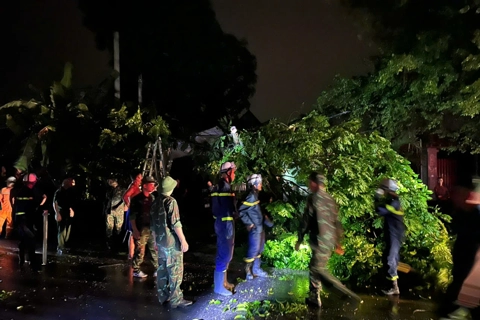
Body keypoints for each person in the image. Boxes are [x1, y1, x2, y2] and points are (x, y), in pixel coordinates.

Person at [295, 172, 361, 307]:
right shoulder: (330, 199)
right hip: (329, 241)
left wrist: (299, 239)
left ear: (315, 183)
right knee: (315, 267)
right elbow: (336, 222)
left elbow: (306, 221)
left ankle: (345, 294)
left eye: (309, 182)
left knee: (318, 268)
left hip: (319, 240)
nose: (309, 185)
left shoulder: (313, 199)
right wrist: (338, 243)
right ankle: (314, 296)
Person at [439, 180, 480, 319]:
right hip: (463, 256)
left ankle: (448, 308)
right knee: (458, 281)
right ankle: (447, 308)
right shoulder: (463, 213)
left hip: (469, 256)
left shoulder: (474, 213)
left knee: (459, 282)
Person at [151, 176, 192, 308]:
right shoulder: (171, 202)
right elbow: (176, 223)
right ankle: (176, 299)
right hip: (171, 242)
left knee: (162, 269)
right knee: (175, 270)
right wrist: (183, 240)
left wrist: (155, 242)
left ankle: (163, 296)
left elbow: (152, 226)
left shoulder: (155, 202)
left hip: (161, 242)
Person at [238, 174, 273, 280]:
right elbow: (241, 211)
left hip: (260, 227)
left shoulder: (255, 195)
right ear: (255, 184)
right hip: (255, 229)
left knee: (259, 249)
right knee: (253, 250)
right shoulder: (251, 196)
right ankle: (248, 271)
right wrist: (249, 223)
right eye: (260, 183)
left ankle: (256, 269)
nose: (261, 185)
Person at [211, 162, 237, 296]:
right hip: (224, 225)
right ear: (227, 172)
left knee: (227, 254)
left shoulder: (223, 186)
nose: (234, 174)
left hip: (225, 224)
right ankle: (218, 287)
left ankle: (224, 283)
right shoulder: (224, 187)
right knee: (224, 255)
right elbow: (225, 208)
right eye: (233, 171)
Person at [374, 178, 404, 295]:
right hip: (393, 234)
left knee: (390, 259)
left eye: (383, 189)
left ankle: (394, 287)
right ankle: (391, 286)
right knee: (388, 258)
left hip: (395, 235)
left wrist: (377, 196)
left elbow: (379, 210)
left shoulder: (394, 203)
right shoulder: (393, 201)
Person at [13, 173, 46, 270]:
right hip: (26, 219)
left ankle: (22, 260)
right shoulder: (32, 192)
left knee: (23, 240)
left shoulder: (18, 191)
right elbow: (39, 200)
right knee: (31, 239)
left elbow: (15, 205)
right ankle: (31, 261)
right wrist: (40, 206)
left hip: (21, 219)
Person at [129, 176, 159, 278]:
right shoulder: (136, 200)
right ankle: (136, 269)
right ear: (145, 185)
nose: (153, 186)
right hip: (141, 228)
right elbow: (132, 216)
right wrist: (135, 230)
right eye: (151, 184)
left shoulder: (153, 198)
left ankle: (157, 268)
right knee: (140, 250)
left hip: (151, 228)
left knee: (154, 249)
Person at [53, 177, 76, 255]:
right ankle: (61, 247)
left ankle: (64, 245)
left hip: (68, 212)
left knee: (67, 230)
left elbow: (71, 202)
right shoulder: (59, 192)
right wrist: (57, 213)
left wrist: (71, 210)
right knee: (61, 230)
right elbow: (55, 203)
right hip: (61, 212)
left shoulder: (71, 191)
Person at [123, 172, 142, 260]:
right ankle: (131, 254)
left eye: (141, 177)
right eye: (138, 177)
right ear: (135, 178)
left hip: (136, 211)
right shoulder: (134, 186)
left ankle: (132, 254)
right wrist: (129, 205)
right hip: (133, 212)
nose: (140, 178)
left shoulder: (137, 187)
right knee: (132, 233)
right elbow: (125, 196)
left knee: (133, 233)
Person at [105, 178, 125, 252]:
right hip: (109, 211)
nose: (110, 182)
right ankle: (109, 245)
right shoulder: (109, 190)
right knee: (109, 228)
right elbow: (106, 200)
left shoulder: (122, 190)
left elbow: (124, 199)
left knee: (118, 228)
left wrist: (117, 206)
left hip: (118, 211)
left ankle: (118, 245)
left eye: (111, 181)